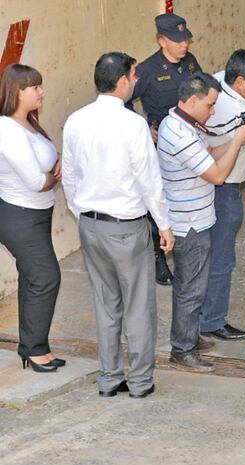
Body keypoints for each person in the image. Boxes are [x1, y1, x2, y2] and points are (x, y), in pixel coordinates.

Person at [128, 13, 245, 287]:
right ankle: (160, 256)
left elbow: (228, 78)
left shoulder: (189, 62)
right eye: (177, 41)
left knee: (199, 216)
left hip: (197, 142)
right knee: (164, 201)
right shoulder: (148, 70)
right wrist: (143, 128)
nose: (184, 45)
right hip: (167, 141)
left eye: (186, 39)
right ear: (161, 41)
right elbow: (123, 99)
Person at [62, 52, 174, 398]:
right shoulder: (132, 123)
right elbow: (148, 180)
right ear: (122, 80)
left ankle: (109, 377)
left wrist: (81, 213)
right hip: (127, 226)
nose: (136, 81)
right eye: (134, 75)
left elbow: (69, 176)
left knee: (106, 304)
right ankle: (140, 381)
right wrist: (164, 225)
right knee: (138, 305)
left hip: (91, 226)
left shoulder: (76, 120)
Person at [156, 72, 245, 372]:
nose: (213, 111)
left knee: (190, 285)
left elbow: (210, 153)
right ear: (192, 100)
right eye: (210, 105)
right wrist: (237, 142)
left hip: (198, 217)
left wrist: (231, 140)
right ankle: (182, 350)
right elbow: (216, 175)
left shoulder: (183, 122)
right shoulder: (180, 133)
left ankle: (188, 336)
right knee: (191, 288)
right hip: (189, 222)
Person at [198, 50, 245, 341]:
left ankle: (202, 317)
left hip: (203, 187)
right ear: (240, 82)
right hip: (225, 191)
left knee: (204, 258)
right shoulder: (242, 117)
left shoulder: (217, 83)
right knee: (221, 260)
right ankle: (212, 321)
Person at [0, 64, 62, 373]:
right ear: (16, 92)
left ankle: (34, 346)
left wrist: (53, 171)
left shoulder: (28, 123)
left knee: (32, 278)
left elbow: (47, 164)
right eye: (34, 87)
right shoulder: (6, 129)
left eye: (40, 86)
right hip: (19, 215)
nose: (41, 92)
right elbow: (36, 181)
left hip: (37, 214)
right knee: (46, 276)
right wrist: (53, 177)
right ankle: (35, 349)